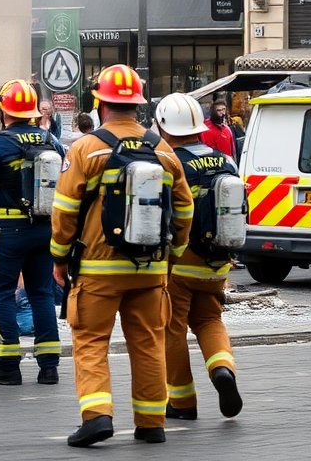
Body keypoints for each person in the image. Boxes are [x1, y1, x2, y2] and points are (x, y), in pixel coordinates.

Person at [50, 64, 194, 447]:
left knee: (91, 341)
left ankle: (97, 417)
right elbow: (184, 209)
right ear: (137, 106)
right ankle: (151, 423)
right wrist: (172, 255)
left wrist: (59, 258)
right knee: (148, 342)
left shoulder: (86, 148)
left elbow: (64, 211)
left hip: (98, 271)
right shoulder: (163, 150)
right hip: (150, 269)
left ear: (101, 103)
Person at [0, 79, 65, 386]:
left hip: (9, 231)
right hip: (45, 229)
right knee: (42, 294)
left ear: (3, 109)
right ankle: (49, 366)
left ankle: (8, 365)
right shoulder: (51, 141)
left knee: (1, 293)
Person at [153, 93, 244, 422]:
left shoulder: (168, 162)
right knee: (209, 320)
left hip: (181, 262)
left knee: (171, 329)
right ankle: (223, 370)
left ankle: (182, 402)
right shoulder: (225, 160)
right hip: (218, 263)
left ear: (164, 126)